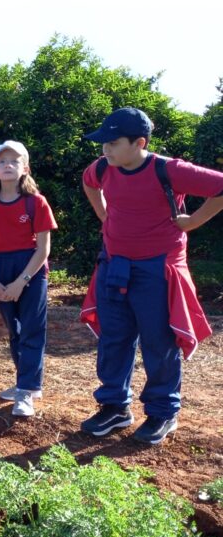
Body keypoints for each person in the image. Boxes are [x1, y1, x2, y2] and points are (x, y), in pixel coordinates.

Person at [79, 107, 223, 444]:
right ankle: (114, 407)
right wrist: (106, 217)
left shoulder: (168, 170)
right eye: (103, 143)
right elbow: (89, 183)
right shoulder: (103, 167)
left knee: (159, 343)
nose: (105, 150)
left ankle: (162, 412)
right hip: (114, 264)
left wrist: (193, 222)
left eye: (113, 143)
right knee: (114, 339)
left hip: (157, 268)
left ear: (139, 142)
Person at [0, 141, 57, 417]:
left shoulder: (36, 202)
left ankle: (26, 390)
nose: (8, 165)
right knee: (15, 330)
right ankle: (27, 382)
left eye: (14, 161)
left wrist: (23, 280)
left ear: (25, 168)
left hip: (30, 269)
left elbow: (43, 248)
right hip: (0, 268)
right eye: (2, 161)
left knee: (32, 329)